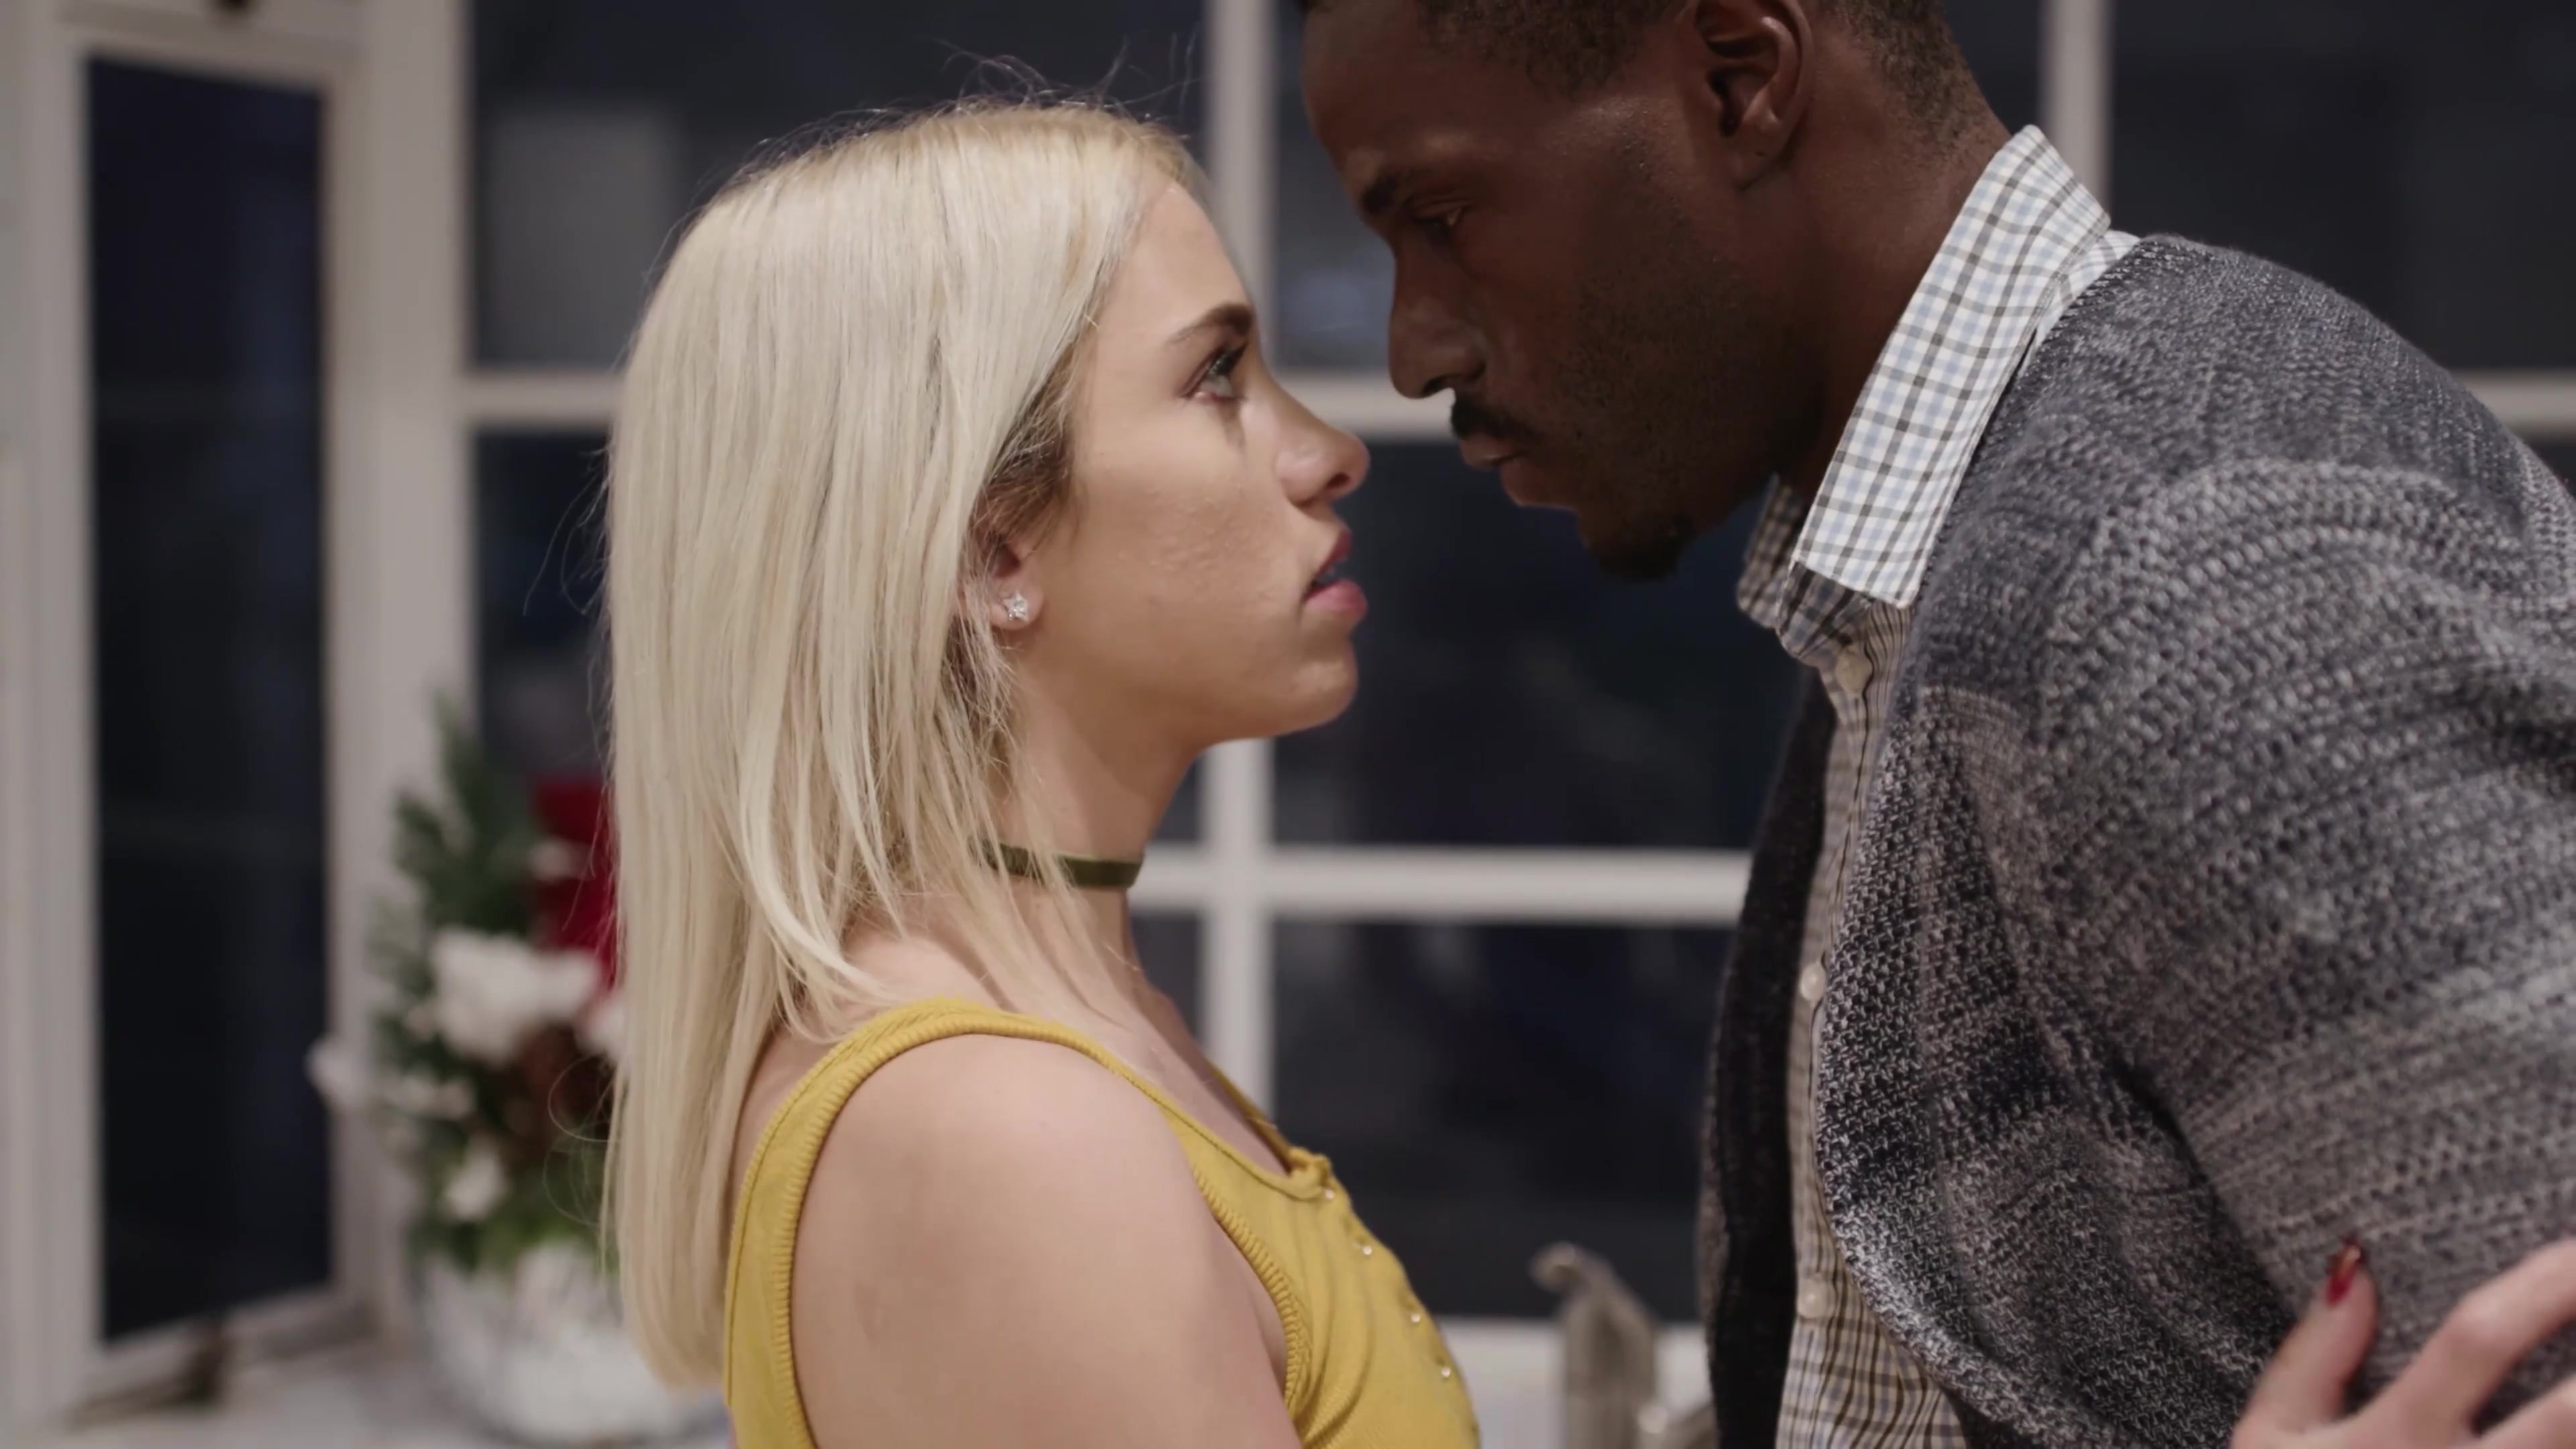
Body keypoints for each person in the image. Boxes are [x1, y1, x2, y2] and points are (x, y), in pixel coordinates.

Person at [1293, 1, 2576, 1446]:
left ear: (1740, 80)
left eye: (1444, 217)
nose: (1410, 351)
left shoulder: (2196, 562)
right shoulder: (1963, 546)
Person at [600, 103, 1478, 1449]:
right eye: (1219, 377)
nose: (1327, 453)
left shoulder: (1042, 1036)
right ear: (992, 553)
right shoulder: (1010, 1132)